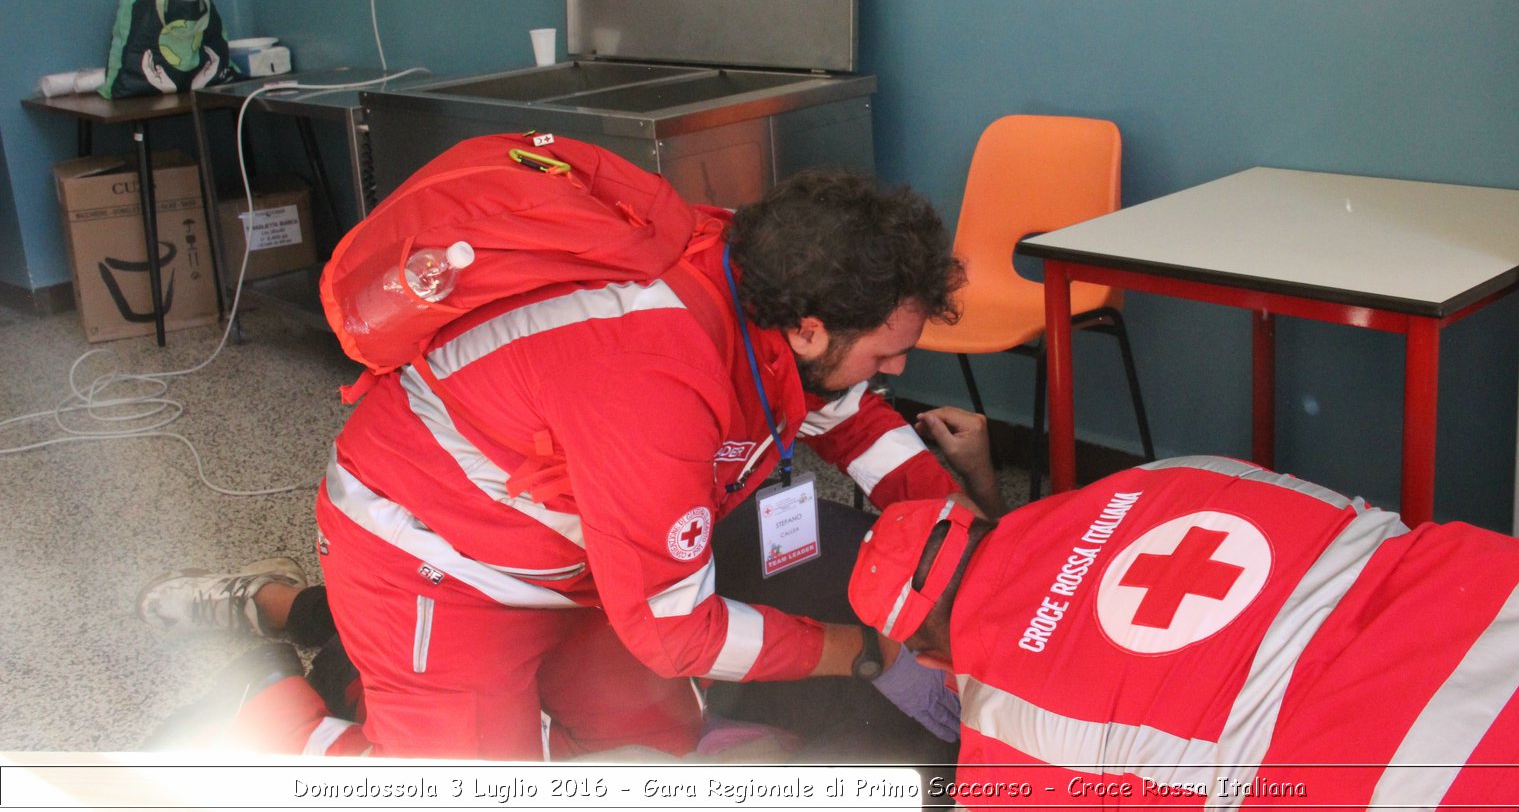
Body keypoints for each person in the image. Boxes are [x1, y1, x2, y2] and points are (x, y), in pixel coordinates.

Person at [141, 167, 1001, 760]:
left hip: (572, 555)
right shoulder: (655, 377)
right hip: (435, 564)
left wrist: (974, 552)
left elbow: (853, 419)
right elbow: (674, 628)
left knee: (656, 736)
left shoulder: (766, 283)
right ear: (811, 327)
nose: (895, 373)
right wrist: (868, 652)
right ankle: (256, 692)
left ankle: (314, 618)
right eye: (886, 353)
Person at [848, 455, 1519, 810]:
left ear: (929, 654)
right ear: (976, 515)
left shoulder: (1005, 737)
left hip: (1444, 768)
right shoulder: (1160, 473)